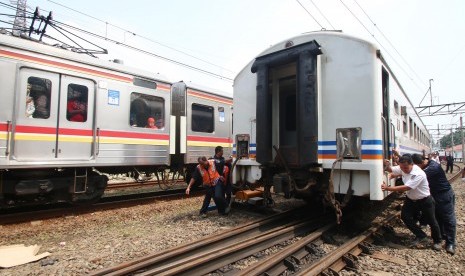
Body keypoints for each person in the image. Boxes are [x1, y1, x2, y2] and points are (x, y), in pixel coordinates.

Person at [381, 154, 442, 250]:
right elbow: (391, 170)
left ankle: (438, 241)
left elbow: (407, 187)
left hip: (424, 200)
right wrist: (386, 165)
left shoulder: (418, 173)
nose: (403, 169)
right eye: (401, 167)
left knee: (432, 221)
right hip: (411, 199)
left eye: (405, 167)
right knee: (405, 217)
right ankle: (421, 235)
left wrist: (388, 188)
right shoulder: (403, 167)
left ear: (411, 164)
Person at [412, 154, 457, 255]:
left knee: (448, 219)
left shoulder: (433, 167)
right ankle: (440, 238)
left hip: (444, 195)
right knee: (436, 218)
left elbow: (415, 176)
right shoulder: (428, 166)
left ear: (422, 163)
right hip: (433, 195)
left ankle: (451, 243)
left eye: (416, 166)